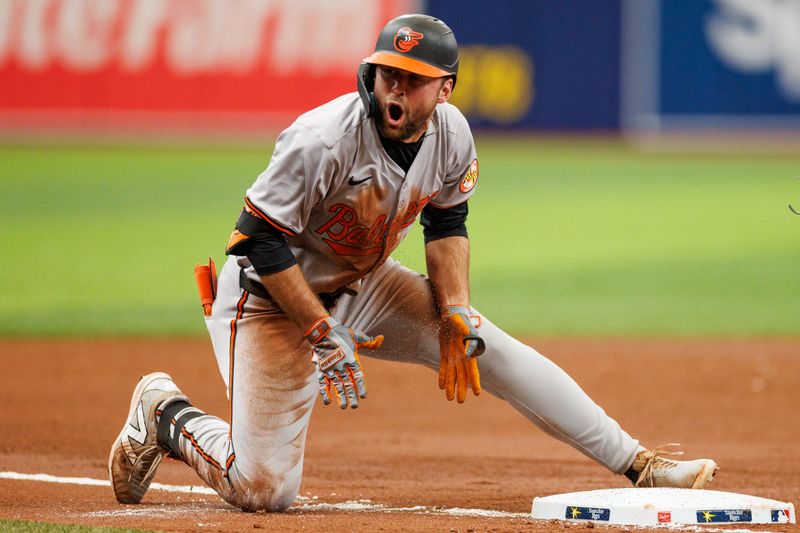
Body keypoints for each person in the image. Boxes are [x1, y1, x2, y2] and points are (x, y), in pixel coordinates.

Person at [108, 14, 718, 511]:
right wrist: (320, 332)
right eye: (388, 74)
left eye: (414, 78)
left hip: (361, 283)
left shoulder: (453, 136)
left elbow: (447, 224)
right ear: (370, 75)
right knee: (264, 489)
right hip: (269, 298)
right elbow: (257, 239)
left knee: (484, 343)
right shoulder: (322, 139)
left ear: (445, 88)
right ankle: (164, 413)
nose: (396, 88)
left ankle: (641, 464)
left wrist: (454, 310)